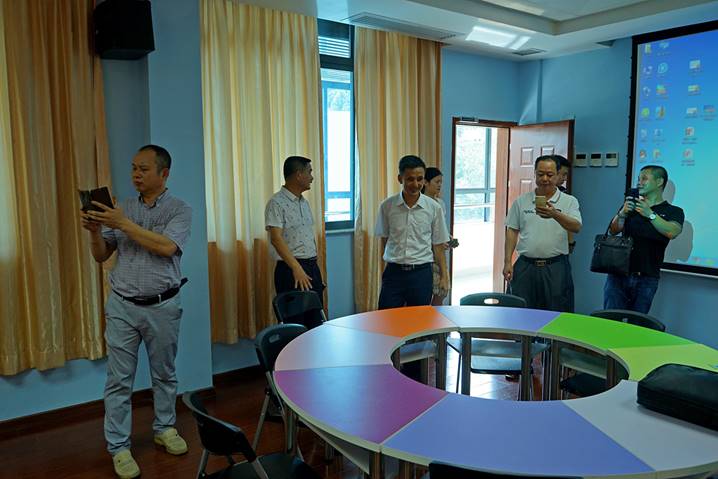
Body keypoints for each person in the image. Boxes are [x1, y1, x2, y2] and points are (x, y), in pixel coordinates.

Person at [81, 145, 192, 479]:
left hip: (163, 305)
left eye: (143, 169)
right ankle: (119, 447)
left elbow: (166, 247)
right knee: (118, 380)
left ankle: (165, 428)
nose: (136, 175)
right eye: (133, 168)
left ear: (164, 173)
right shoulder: (123, 208)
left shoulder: (179, 210)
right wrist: (96, 232)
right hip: (122, 306)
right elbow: (101, 255)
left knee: (164, 374)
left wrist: (122, 223)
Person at [503, 154, 582, 312]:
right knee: (520, 311)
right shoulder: (521, 201)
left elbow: (576, 227)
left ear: (558, 175)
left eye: (550, 175)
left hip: (555, 267)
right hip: (525, 266)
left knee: (557, 311)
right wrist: (507, 262)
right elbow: (512, 230)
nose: (545, 179)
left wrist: (555, 214)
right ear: (534, 174)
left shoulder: (569, 201)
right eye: (540, 174)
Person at [603, 165, 683, 313]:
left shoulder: (673, 211)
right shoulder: (630, 206)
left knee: (638, 323)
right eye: (638, 179)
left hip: (647, 278)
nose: (639, 183)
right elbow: (613, 231)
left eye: (644, 179)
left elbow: (672, 232)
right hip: (618, 275)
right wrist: (622, 214)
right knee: (611, 319)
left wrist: (650, 214)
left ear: (659, 182)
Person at [375, 155, 450, 309]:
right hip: (394, 273)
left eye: (420, 179)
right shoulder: (387, 206)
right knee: (386, 317)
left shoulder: (434, 208)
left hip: (421, 273)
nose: (415, 184)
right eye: (410, 179)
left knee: (419, 319)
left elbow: (438, 245)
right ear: (400, 178)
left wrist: (445, 276)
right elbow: (385, 239)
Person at [265, 156, 324, 304]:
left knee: (316, 315)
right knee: (296, 316)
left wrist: (314, 271)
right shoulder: (276, 203)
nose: (312, 178)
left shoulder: (304, 203)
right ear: (298, 175)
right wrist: (296, 269)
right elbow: (276, 239)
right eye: (309, 172)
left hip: (311, 266)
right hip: (291, 269)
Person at [422, 167, 458, 305]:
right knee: (424, 294)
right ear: (426, 183)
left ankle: (436, 315)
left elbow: (440, 229)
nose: (439, 185)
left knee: (442, 291)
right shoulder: (421, 203)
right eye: (436, 182)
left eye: (441, 182)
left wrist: (448, 238)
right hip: (425, 255)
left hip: (439, 255)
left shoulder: (440, 203)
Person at [554, 155, 577, 253]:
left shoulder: (565, 195)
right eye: (563, 175)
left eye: (566, 175)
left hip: (559, 247)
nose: (565, 179)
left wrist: (570, 243)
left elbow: (570, 222)